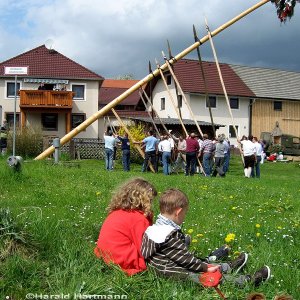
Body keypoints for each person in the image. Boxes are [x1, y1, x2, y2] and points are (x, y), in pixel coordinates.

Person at [141, 188, 271, 287]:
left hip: (161, 269)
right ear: (178, 211)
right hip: (173, 273)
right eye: (185, 213)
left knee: (199, 263)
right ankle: (247, 281)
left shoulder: (152, 229)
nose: (184, 216)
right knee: (206, 276)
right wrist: (205, 267)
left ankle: (228, 267)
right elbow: (187, 261)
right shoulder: (169, 234)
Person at [94, 178, 157, 276]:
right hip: (123, 262)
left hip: (105, 257)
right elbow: (145, 248)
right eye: (151, 200)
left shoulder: (116, 213)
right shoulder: (139, 219)